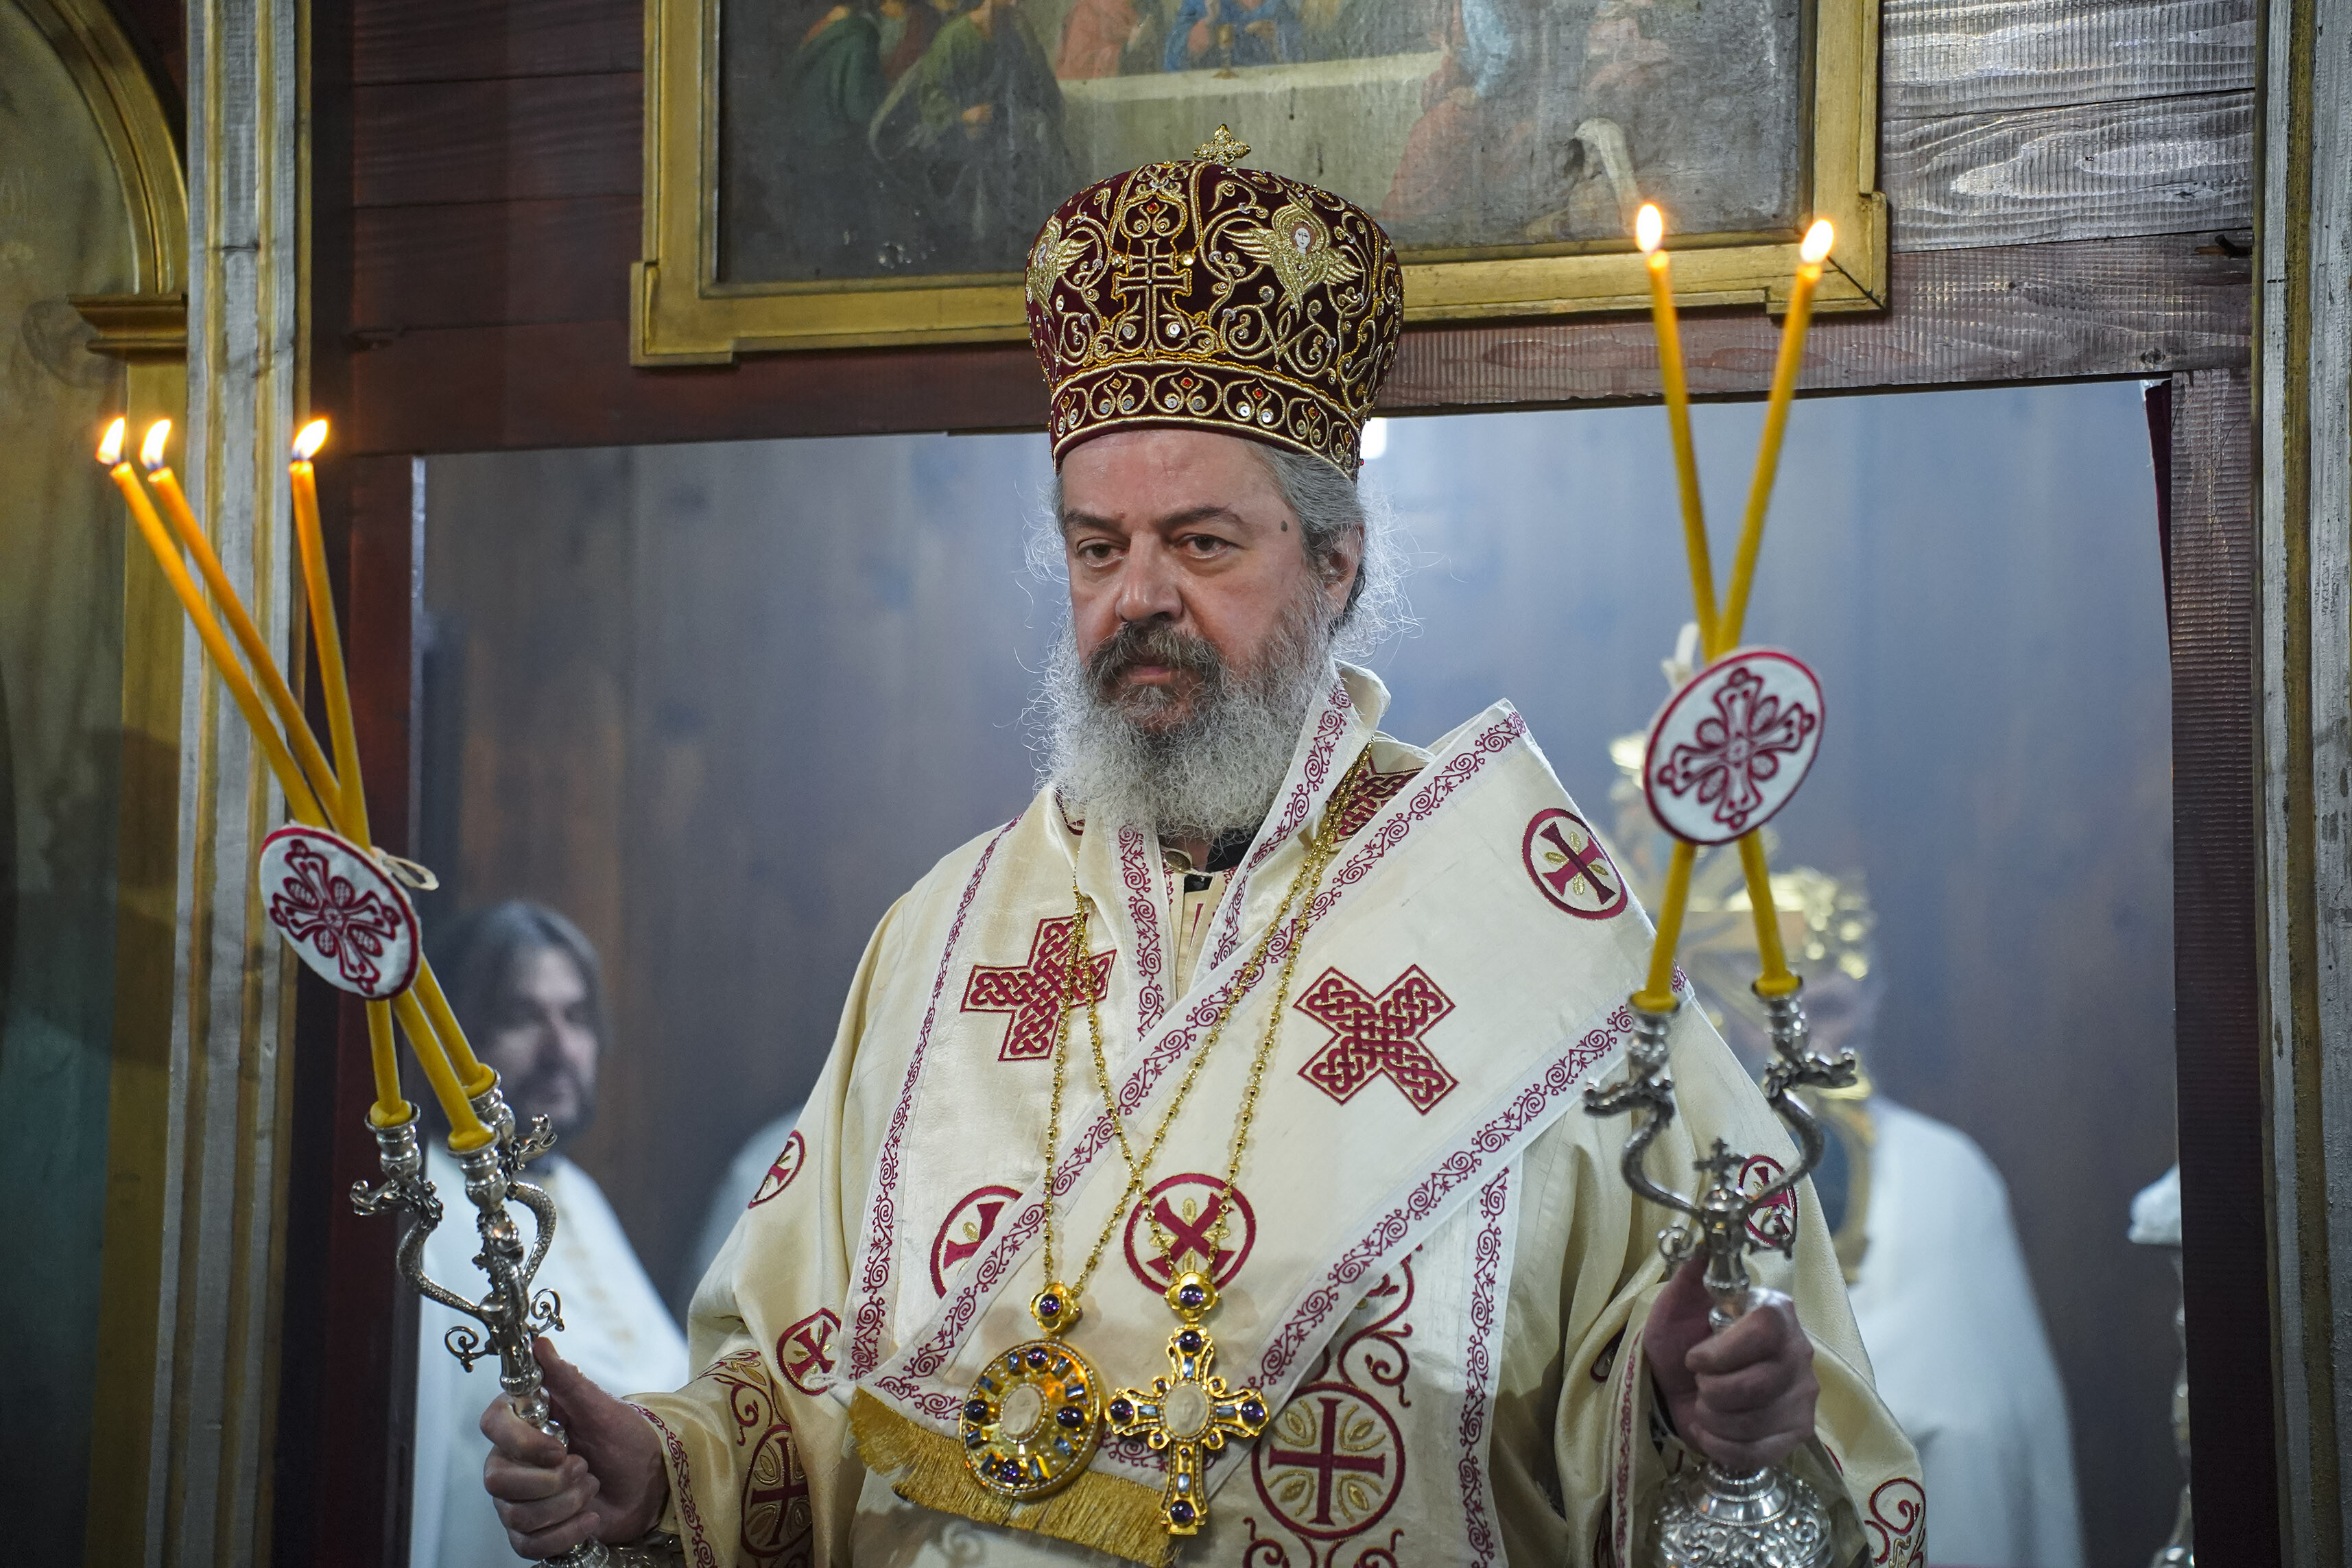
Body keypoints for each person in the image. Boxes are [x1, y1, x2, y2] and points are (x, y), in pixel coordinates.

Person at [477, 139, 1921, 1568]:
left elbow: (1730, 1410)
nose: (1138, 599)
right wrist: (664, 1471)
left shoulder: (1531, 933)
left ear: (1335, 564)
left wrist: (1696, 1420)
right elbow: (799, 1376)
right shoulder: (945, 935)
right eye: (1096, 548)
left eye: (1202, 544)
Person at [1604, 739, 2082, 1568]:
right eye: (1793, 1010)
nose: (1828, 1035)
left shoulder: (1945, 1171)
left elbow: (1984, 1428)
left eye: (1841, 1005)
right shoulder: (1663, 1165)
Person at [408, 903, 687, 1568]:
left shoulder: (573, 1192)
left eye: (576, 1017)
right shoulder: (425, 1204)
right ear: (454, 1036)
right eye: (522, 1017)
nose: (560, 1049)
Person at [868, 0, 1072, 272]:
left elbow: (1036, 87)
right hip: (954, 138)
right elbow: (931, 94)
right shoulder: (955, 36)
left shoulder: (1015, 33)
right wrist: (963, 117)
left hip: (1003, 134)